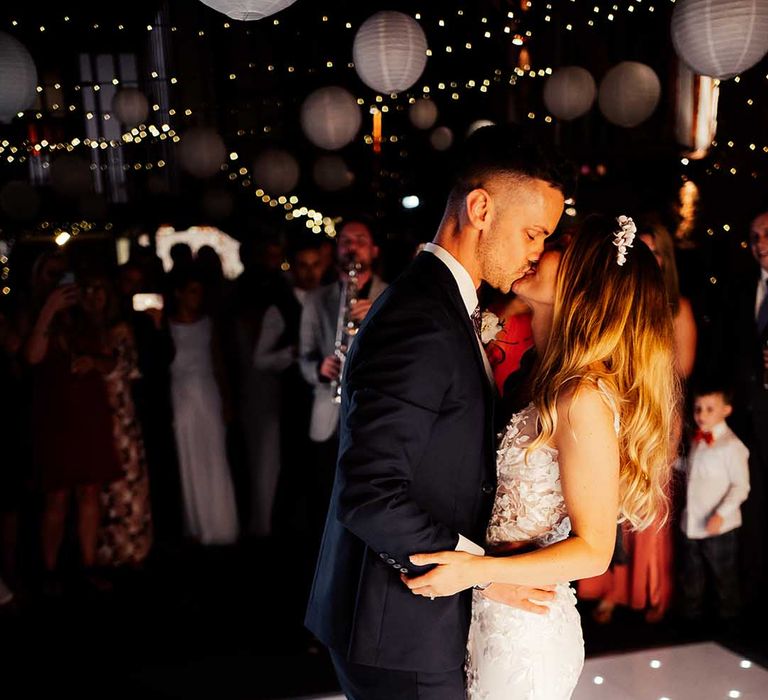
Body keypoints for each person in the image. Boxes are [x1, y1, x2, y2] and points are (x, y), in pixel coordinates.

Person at [305, 125, 568, 700]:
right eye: (532, 232)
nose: (536, 252)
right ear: (479, 208)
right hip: (395, 625)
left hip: (406, 620)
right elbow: (369, 493)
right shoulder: (421, 318)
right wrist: (485, 572)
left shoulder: (439, 303)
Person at [402, 215, 679, 699]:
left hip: (523, 633)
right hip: (482, 606)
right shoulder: (537, 375)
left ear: (583, 280)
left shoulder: (583, 397)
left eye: (558, 246)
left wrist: (480, 573)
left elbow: (595, 551)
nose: (538, 249)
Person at [580, 217, 696, 624]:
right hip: (617, 412)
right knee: (612, 504)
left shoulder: (677, 310)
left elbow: (679, 378)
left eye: (652, 255)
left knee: (646, 510)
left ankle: (649, 590)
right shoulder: (619, 307)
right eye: (637, 253)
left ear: (664, 260)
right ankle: (609, 589)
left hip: (657, 415)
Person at [26, 274, 123, 590]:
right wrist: (49, 309)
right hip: (57, 416)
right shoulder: (37, 315)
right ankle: (50, 570)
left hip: (89, 412)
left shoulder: (90, 320)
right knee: (57, 494)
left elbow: (112, 364)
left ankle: (88, 564)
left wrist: (94, 362)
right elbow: (32, 356)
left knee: (90, 490)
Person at [298, 220, 388, 542]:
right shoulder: (315, 299)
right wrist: (318, 368)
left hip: (371, 413)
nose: (352, 246)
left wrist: (376, 318)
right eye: (346, 240)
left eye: (361, 240)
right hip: (327, 410)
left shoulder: (391, 296)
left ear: (374, 250)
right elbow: (303, 358)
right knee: (323, 496)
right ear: (336, 249)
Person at [248, 241, 324, 536]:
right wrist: (293, 353)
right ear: (292, 268)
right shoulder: (279, 308)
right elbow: (260, 359)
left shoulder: (332, 299)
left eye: (315, 264)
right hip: (294, 401)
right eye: (303, 265)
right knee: (293, 472)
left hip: (326, 400)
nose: (310, 272)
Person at [169, 272, 238, 545]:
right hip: (180, 395)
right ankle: (197, 523)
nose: (196, 297)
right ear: (179, 293)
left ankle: (219, 523)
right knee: (188, 456)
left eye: (199, 291)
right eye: (192, 291)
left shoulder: (208, 324)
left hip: (207, 394)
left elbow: (219, 364)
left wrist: (227, 400)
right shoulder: (166, 325)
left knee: (213, 454)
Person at [677, 385, 749, 625]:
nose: (702, 414)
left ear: (726, 410)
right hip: (692, 522)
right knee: (692, 575)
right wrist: (672, 463)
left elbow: (741, 486)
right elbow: (693, 471)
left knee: (723, 576)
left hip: (719, 527)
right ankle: (691, 620)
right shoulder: (698, 439)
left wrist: (721, 514)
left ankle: (730, 623)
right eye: (698, 409)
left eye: (709, 409)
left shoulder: (732, 446)